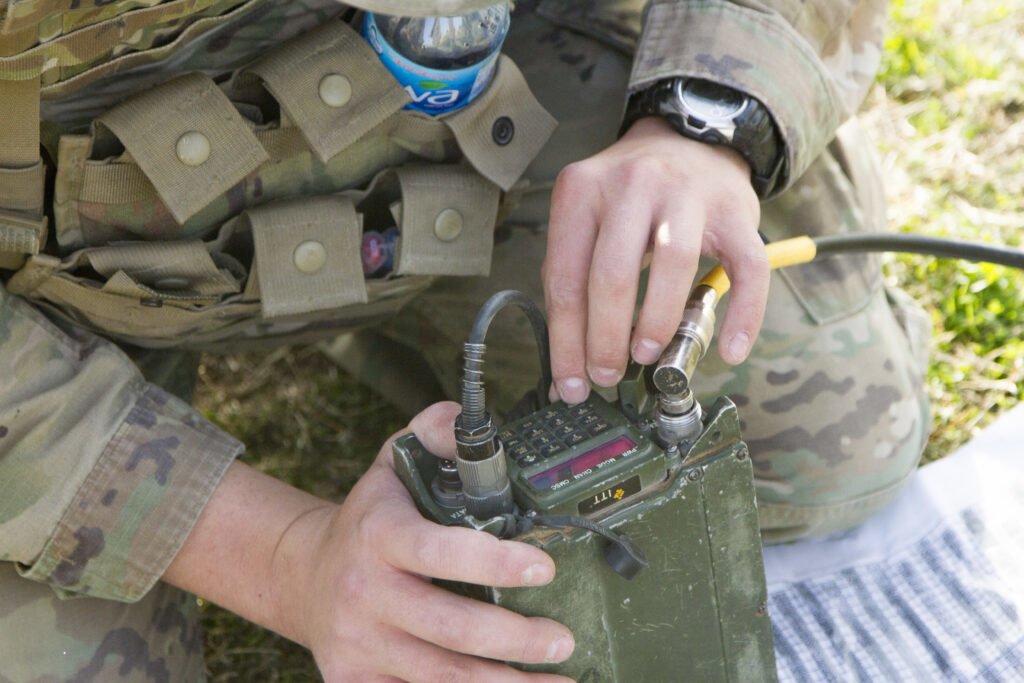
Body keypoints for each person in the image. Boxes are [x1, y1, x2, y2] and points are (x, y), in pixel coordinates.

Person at [0, 1, 931, 681]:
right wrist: (287, 556)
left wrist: (705, 118)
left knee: (832, 445)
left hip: (500, 115)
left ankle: (380, 323)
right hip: (52, 270)